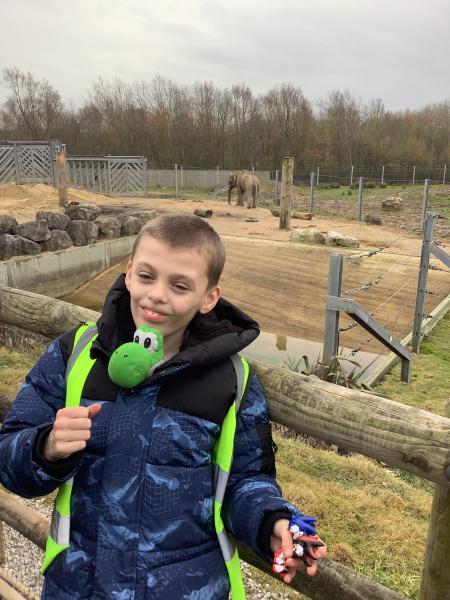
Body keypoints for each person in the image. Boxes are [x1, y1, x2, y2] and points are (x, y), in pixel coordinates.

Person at [0, 214, 326, 599]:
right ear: (128, 274)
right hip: (78, 587)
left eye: (179, 285)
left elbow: (247, 481)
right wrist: (47, 447)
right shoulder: (76, 355)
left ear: (209, 298)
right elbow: (9, 457)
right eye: (146, 276)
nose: (156, 295)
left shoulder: (232, 381)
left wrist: (272, 523)